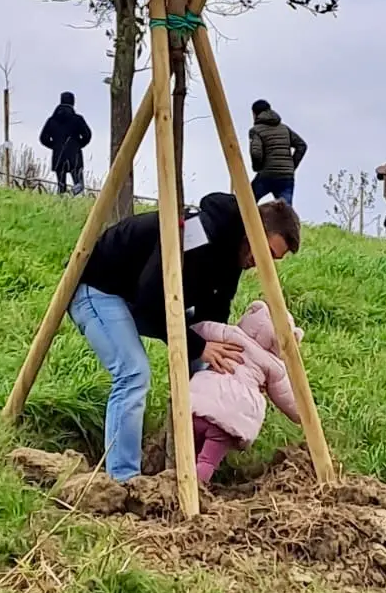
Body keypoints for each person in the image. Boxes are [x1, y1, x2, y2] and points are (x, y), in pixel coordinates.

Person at [69, 194, 302, 483]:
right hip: (101, 291)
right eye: (264, 251)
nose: (261, 263)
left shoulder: (236, 254)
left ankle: (188, 465)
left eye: (273, 259)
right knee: (133, 373)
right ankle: (123, 479)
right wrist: (199, 346)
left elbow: (215, 310)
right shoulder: (198, 234)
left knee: (204, 366)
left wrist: (226, 365)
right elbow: (152, 297)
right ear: (252, 230)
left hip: (142, 300)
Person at [190, 300, 303, 484]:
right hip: (231, 417)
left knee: (187, 449)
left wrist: (196, 343)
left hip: (200, 402)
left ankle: (173, 481)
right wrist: (303, 416)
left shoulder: (230, 333)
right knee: (207, 460)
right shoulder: (274, 366)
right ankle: (195, 490)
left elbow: (199, 330)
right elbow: (287, 398)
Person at [249, 100, 307, 206]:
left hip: (266, 175)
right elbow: (301, 146)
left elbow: (256, 153)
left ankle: (241, 222)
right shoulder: (284, 128)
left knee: (247, 202)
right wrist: (292, 166)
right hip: (286, 176)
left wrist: (257, 167)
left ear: (254, 113)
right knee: (286, 211)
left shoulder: (256, 130)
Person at [40, 92, 92, 195]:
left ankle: (62, 202)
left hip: (58, 155)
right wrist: (78, 145)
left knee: (61, 186)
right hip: (74, 155)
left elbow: (43, 138)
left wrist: (55, 146)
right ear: (73, 102)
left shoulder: (52, 120)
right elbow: (87, 135)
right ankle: (72, 196)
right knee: (79, 185)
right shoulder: (77, 119)